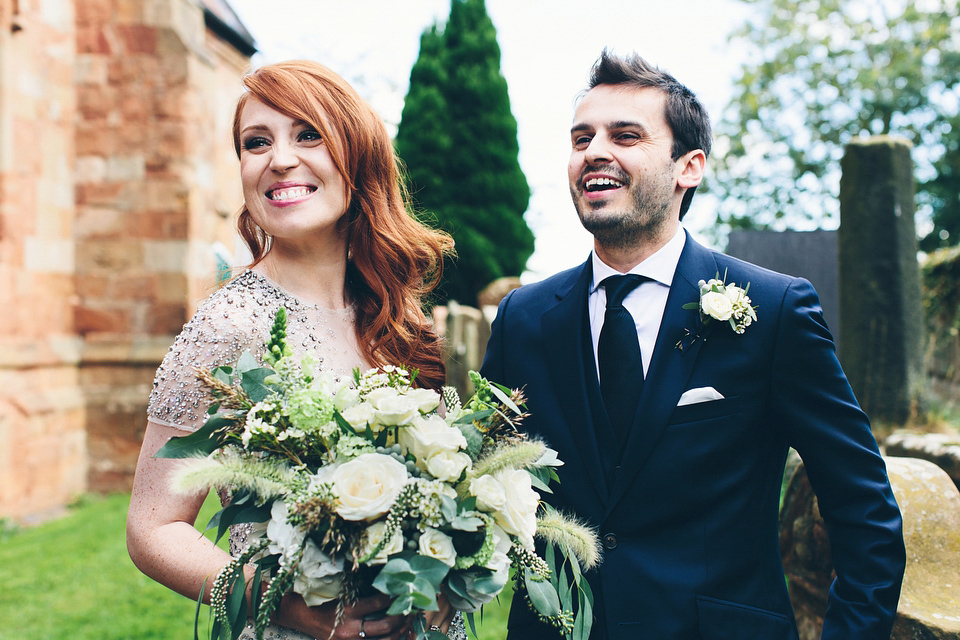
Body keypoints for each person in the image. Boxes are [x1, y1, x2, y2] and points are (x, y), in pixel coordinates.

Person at [480, 50, 906, 640]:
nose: (594, 152)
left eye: (625, 136)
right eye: (581, 139)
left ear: (690, 167)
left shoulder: (775, 310)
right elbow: (487, 486)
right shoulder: (524, 319)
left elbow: (865, 510)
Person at [127, 60, 462, 640]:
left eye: (308, 134)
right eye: (256, 143)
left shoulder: (398, 318)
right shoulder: (228, 326)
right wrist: (281, 606)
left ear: (356, 156)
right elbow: (153, 529)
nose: (279, 159)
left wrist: (444, 578)